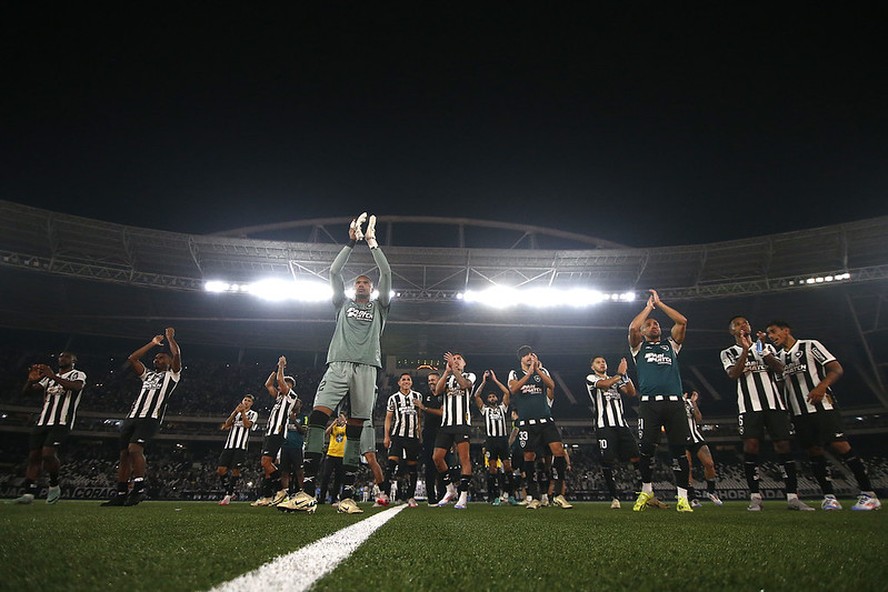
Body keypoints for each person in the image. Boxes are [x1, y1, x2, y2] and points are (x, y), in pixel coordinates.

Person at [278, 213, 391, 515]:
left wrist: (372, 243)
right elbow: (333, 271)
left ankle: (349, 496)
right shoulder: (342, 304)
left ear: (373, 289)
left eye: (366, 282)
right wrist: (350, 243)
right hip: (338, 365)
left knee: (355, 430)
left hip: (367, 369)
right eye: (359, 282)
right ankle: (305, 492)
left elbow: (387, 273)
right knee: (317, 417)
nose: (362, 285)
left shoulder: (381, 308)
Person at [766, 320, 881, 511]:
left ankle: (868, 494)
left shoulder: (810, 345)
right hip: (798, 412)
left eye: (774, 332)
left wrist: (821, 386)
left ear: (786, 330)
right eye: (769, 334)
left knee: (841, 445)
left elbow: (836, 368)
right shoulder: (778, 358)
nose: (771, 336)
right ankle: (829, 497)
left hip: (822, 408)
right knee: (813, 451)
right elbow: (781, 384)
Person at [720, 316, 812, 511]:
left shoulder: (764, 347)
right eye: (737, 324)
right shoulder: (728, 352)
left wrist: (761, 349)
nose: (743, 325)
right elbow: (733, 374)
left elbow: (780, 367)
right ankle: (755, 496)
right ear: (732, 331)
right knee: (751, 446)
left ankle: (793, 496)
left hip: (774, 404)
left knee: (783, 445)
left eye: (745, 322)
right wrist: (745, 350)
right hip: (749, 406)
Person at [628, 290, 694, 513]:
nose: (655, 326)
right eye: (650, 325)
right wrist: (648, 308)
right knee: (646, 448)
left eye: (657, 324)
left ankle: (682, 497)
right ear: (645, 331)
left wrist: (660, 304)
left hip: (675, 403)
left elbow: (682, 321)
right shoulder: (639, 348)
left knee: (679, 449)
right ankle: (647, 490)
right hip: (649, 404)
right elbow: (633, 328)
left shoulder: (671, 345)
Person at [101, 327, 181, 506]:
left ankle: (139, 488)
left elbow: (177, 356)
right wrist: (152, 344)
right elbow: (132, 358)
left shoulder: (172, 375)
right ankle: (121, 492)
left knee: (135, 450)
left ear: (168, 361)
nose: (157, 359)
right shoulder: (148, 375)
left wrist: (170, 339)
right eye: (156, 358)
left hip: (150, 418)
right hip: (132, 417)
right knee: (123, 455)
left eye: (161, 357)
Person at [13, 352, 86, 504]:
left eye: (66, 357)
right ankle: (28, 494)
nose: (62, 358)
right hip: (43, 421)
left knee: (47, 454)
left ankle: (53, 484)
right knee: (34, 457)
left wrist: (52, 376)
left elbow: (76, 388)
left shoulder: (77, 374)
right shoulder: (48, 378)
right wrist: (30, 380)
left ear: (74, 361)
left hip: (62, 421)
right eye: (60, 357)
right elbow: (26, 393)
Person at [508, 345, 572, 510]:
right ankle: (534, 497)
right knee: (528, 457)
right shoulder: (514, 373)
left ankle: (559, 495)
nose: (530, 357)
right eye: (527, 356)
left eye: (531, 355)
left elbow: (552, 386)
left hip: (545, 420)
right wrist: (529, 374)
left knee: (558, 451)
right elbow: (513, 389)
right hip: (527, 423)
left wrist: (538, 371)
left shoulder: (542, 371)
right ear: (521, 359)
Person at [585, 355, 642, 509]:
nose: (602, 363)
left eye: (604, 361)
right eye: (598, 362)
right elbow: (604, 384)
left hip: (621, 424)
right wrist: (620, 375)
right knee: (607, 460)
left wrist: (626, 375)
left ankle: (643, 492)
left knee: (636, 456)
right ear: (592, 367)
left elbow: (631, 392)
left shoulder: (615, 378)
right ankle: (614, 497)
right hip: (604, 425)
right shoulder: (591, 378)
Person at [251, 356, 298, 507]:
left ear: (290, 385)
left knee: (266, 462)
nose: (281, 386)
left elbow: (279, 381)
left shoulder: (291, 396)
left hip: (278, 431)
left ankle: (282, 490)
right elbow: (268, 384)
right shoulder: (279, 397)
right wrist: (275, 367)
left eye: (285, 383)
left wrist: (281, 367)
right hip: (270, 432)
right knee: (266, 464)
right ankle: (271, 495)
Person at [432, 352, 475, 509]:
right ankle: (450, 490)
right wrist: (446, 372)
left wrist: (455, 370)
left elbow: (464, 385)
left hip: (462, 423)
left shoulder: (470, 375)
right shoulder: (448, 378)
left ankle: (463, 496)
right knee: (437, 457)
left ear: (464, 363)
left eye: (458, 359)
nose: (455, 361)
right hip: (446, 424)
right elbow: (437, 391)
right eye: (453, 359)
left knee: (464, 459)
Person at [382, 373, 423, 507]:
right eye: (403, 379)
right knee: (391, 464)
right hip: (397, 436)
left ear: (411, 382)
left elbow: (419, 416)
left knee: (412, 467)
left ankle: (411, 497)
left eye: (408, 379)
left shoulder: (418, 396)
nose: (406, 381)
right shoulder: (393, 398)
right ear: (399, 383)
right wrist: (386, 436)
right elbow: (388, 418)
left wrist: (419, 435)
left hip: (412, 437)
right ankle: (385, 495)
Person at [473, 369, 512, 505]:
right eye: (489, 397)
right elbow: (476, 396)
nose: (491, 398)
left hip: (503, 440)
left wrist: (495, 380)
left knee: (507, 466)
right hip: (491, 441)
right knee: (492, 468)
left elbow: (507, 392)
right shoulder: (485, 410)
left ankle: (510, 495)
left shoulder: (503, 408)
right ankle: (493, 496)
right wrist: (483, 381)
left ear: (497, 398)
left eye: (493, 397)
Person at [681, 391, 723, 508]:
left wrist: (694, 403)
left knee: (709, 463)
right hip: (682, 438)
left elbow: (699, 418)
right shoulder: (673, 403)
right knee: (687, 467)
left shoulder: (689, 403)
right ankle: (693, 497)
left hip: (696, 437)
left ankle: (711, 491)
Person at [217, 394, 259, 506]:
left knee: (235, 470)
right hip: (229, 445)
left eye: (249, 401)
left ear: (251, 403)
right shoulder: (236, 413)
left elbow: (247, 425)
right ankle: (230, 491)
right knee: (221, 470)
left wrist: (243, 413)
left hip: (241, 446)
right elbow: (227, 424)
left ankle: (228, 495)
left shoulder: (253, 414)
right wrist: (235, 412)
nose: (246, 402)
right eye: (245, 400)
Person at [419, 371, 444, 505]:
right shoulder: (425, 396)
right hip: (428, 433)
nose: (431, 382)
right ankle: (431, 497)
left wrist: (425, 408)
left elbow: (442, 413)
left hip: (442, 433)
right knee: (429, 465)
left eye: (433, 380)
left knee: (441, 464)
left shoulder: (444, 395)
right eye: (429, 380)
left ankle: (442, 494)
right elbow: (420, 413)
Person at [280, 399, 308, 499]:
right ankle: (285, 493)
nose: (295, 404)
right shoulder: (285, 416)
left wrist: (294, 420)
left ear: (301, 405)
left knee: (299, 471)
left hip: (296, 447)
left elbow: (304, 431)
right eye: (294, 402)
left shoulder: (304, 417)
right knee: (284, 471)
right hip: (285, 446)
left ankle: (302, 492)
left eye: (298, 402)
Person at [317, 413, 347, 504]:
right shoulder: (334, 428)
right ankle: (322, 498)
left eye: (341, 418)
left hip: (341, 456)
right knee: (326, 476)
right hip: (331, 454)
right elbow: (326, 433)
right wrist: (333, 423)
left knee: (338, 479)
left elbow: (349, 428)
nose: (340, 420)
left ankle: (334, 498)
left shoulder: (346, 428)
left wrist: (344, 421)